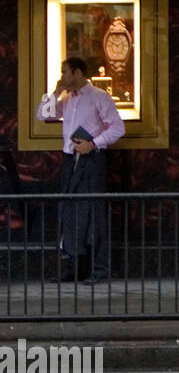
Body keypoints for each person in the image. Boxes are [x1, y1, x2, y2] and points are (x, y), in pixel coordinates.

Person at [38, 57, 125, 284]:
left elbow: (118, 127)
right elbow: (43, 115)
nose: (62, 76)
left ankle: (98, 269)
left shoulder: (99, 97)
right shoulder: (66, 99)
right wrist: (56, 92)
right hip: (70, 158)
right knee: (69, 211)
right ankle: (74, 268)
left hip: (91, 159)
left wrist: (94, 143)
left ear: (77, 73)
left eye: (65, 72)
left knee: (92, 213)